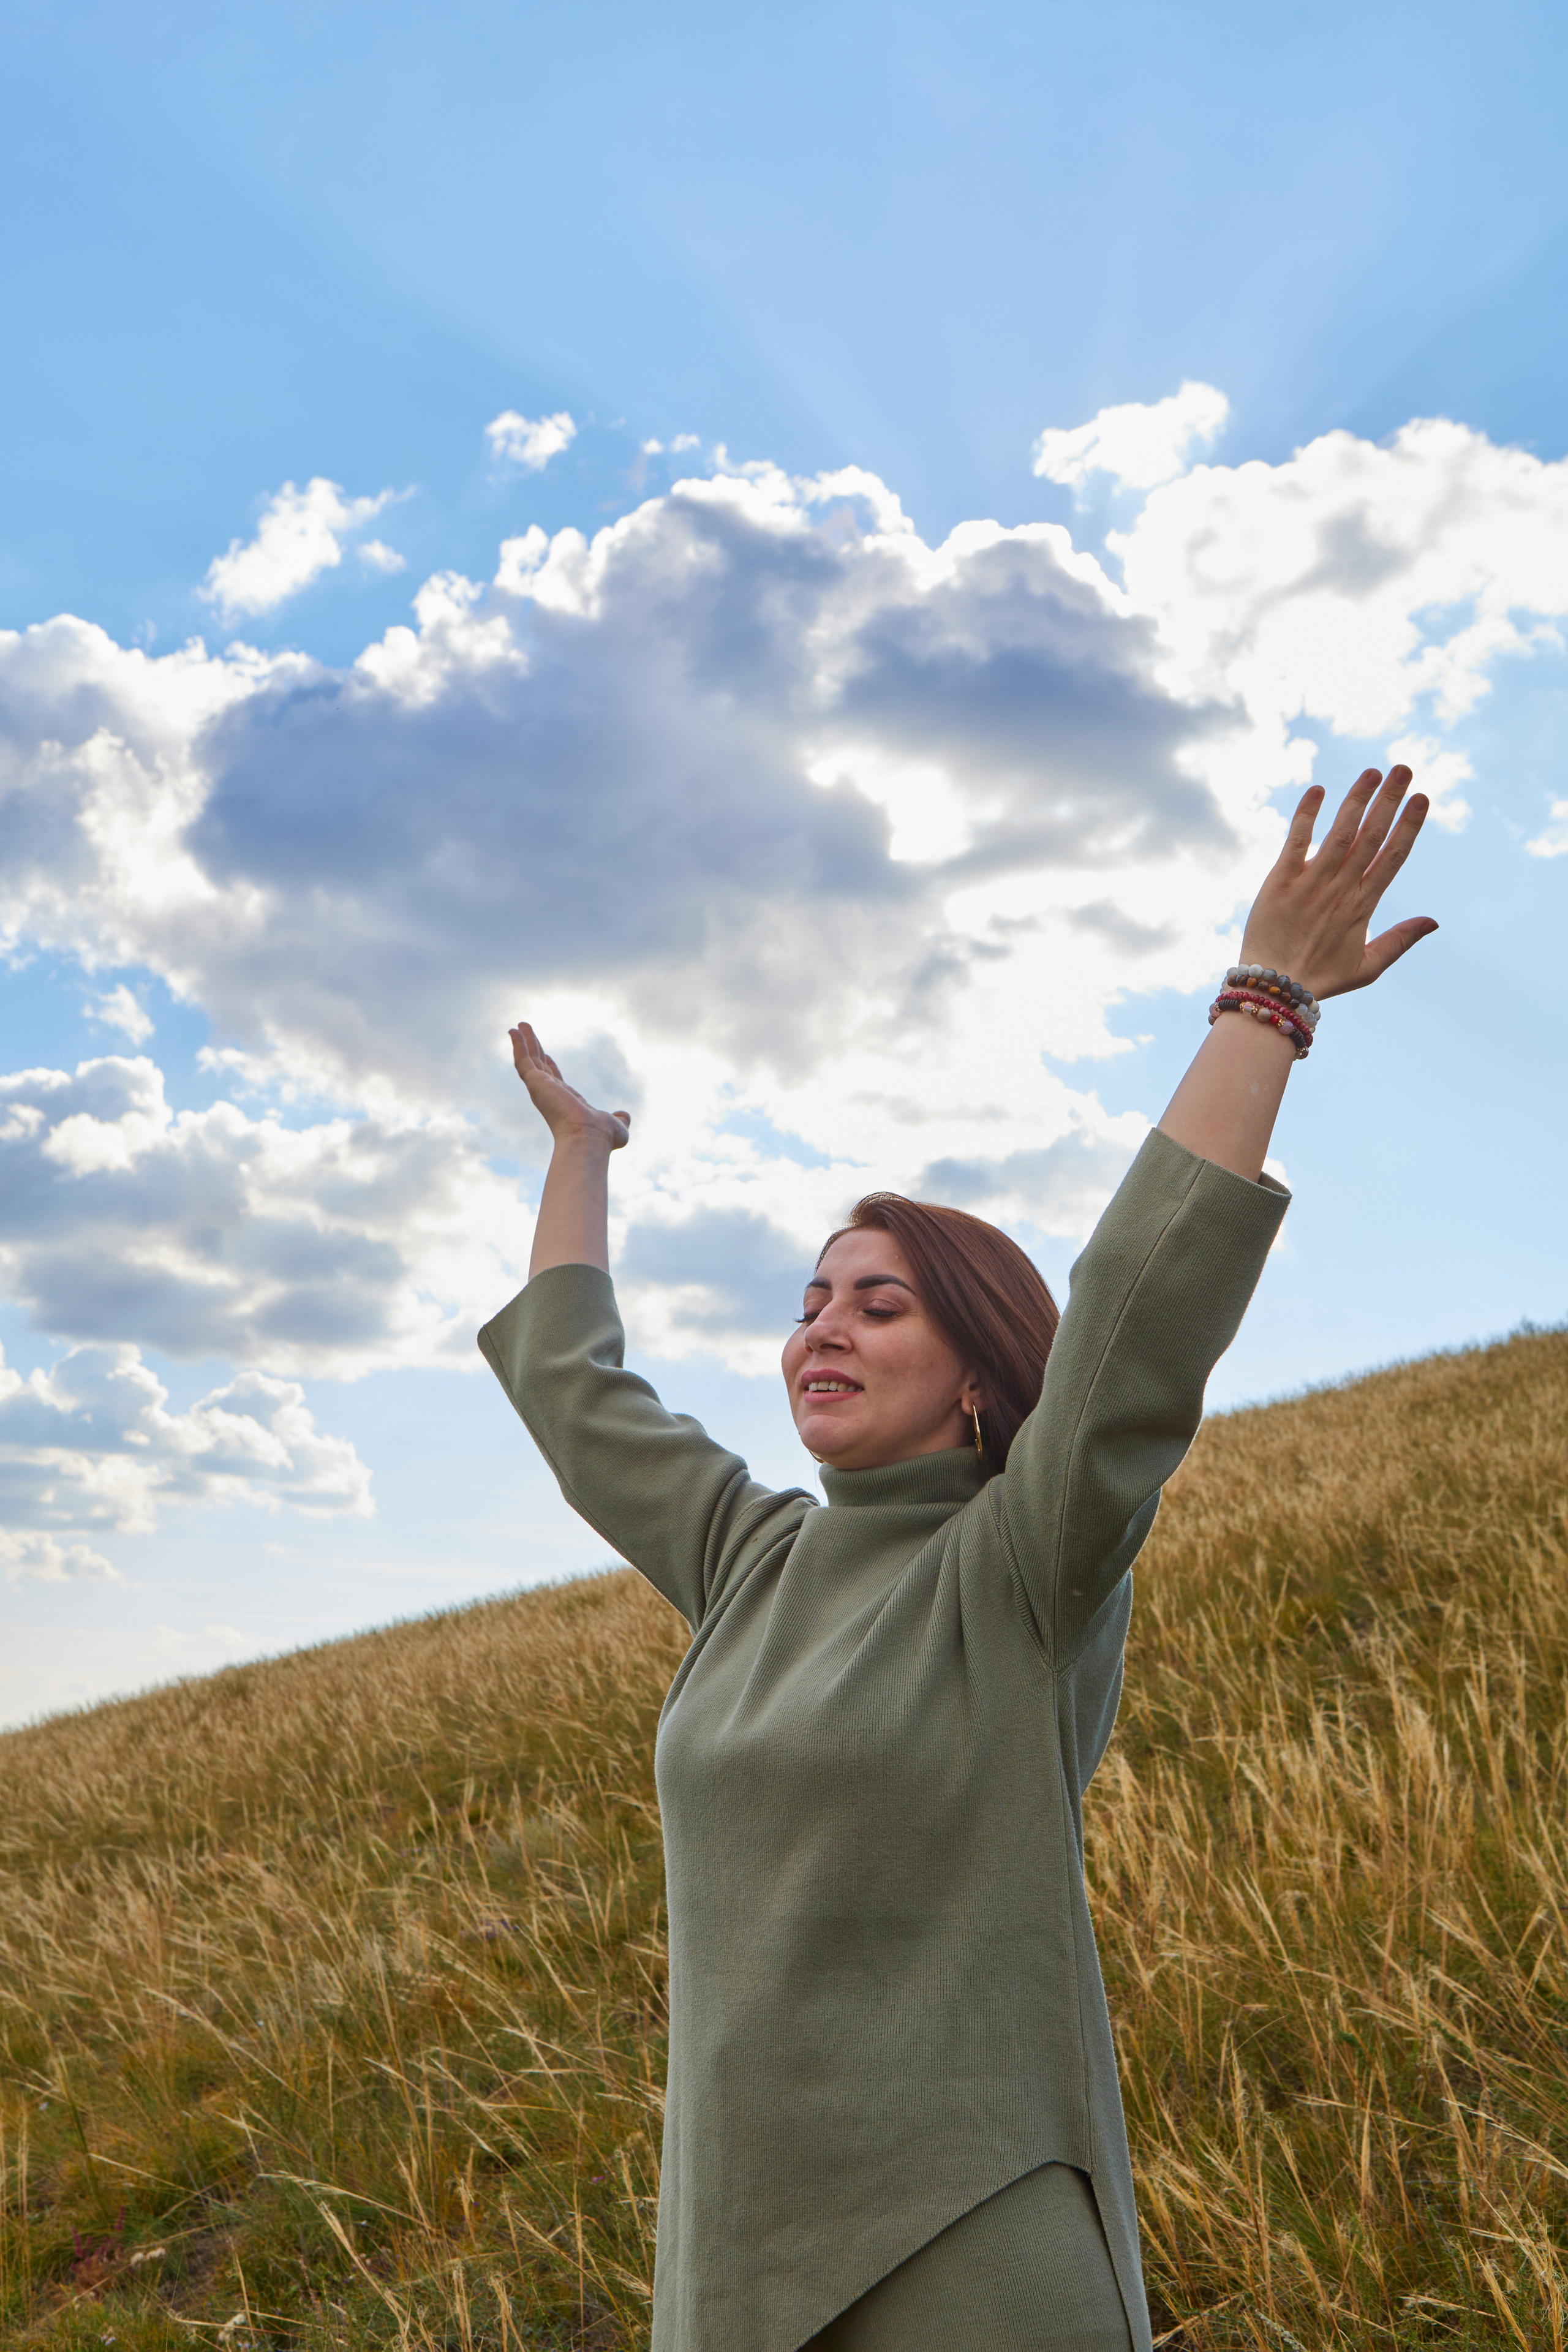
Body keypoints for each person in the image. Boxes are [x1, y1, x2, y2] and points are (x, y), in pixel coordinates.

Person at [479, 769, 1436, 2352]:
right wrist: (581, 1150)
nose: (823, 1330)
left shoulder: (1024, 1569)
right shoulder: (751, 1562)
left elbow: (1138, 1312)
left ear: (983, 1373)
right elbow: (577, 1399)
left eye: (880, 1304)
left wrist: (1266, 999)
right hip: (736, 2260)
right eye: (810, 1302)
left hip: (968, 2246)